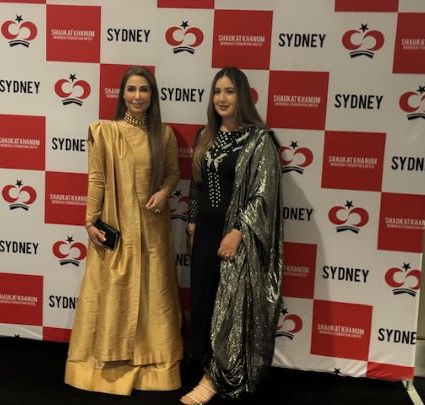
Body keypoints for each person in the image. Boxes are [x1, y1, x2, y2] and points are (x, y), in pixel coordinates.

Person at [65, 66, 183, 395]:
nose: (137, 96)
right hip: (116, 231)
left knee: (153, 297)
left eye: (143, 89)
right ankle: (105, 367)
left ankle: (153, 366)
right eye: (131, 89)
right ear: (122, 94)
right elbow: (97, 178)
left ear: (152, 95)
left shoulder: (166, 135)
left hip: (153, 231)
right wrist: (90, 221)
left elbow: (173, 174)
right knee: (113, 297)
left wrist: (164, 191)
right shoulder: (106, 132)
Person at [181, 67, 283, 404]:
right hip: (206, 234)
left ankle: (214, 380)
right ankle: (205, 365)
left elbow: (263, 196)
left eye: (229, 92)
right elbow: (196, 186)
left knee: (229, 307)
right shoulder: (205, 134)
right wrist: (192, 225)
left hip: (236, 237)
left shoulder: (259, 140)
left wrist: (238, 232)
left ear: (243, 96)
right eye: (216, 92)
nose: (221, 99)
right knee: (205, 301)